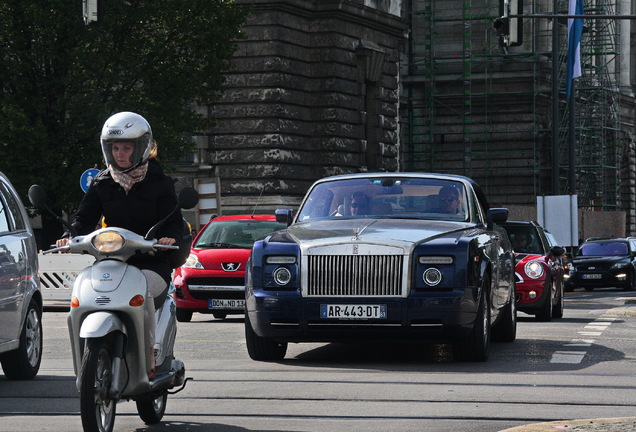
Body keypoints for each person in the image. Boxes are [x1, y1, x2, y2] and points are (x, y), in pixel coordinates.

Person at [56, 111, 183, 377]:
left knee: (142, 291)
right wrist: (71, 236)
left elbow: (173, 221)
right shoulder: (102, 182)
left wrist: (167, 239)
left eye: (127, 147)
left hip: (151, 262)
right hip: (113, 261)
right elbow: (84, 219)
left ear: (141, 147)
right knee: (87, 293)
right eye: (115, 147)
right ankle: (88, 358)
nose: (120, 153)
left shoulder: (160, 183)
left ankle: (149, 351)